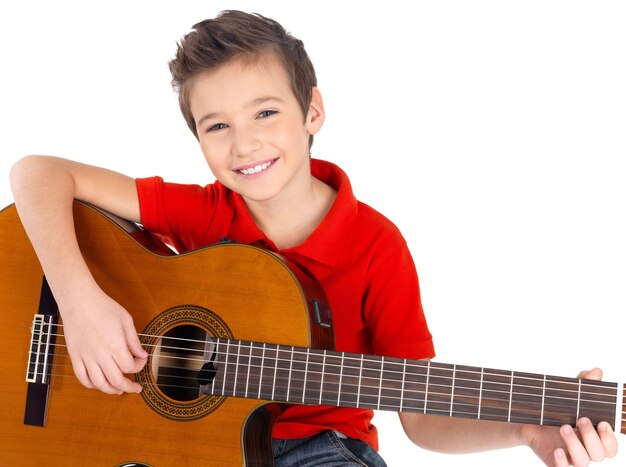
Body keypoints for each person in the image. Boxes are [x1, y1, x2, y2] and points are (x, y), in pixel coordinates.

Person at [9, 10, 618, 467]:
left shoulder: (376, 246)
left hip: (320, 451)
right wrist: (80, 303)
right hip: (184, 445)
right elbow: (36, 173)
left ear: (312, 113)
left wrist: (527, 428)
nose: (244, 143)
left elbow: (420, 416)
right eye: (216, 125)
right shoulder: (204, 211)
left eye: (265, 112)